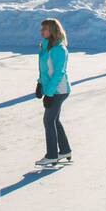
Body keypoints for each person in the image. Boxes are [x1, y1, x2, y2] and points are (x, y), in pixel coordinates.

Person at [36, 18, 72, 167]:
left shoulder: (59, 50)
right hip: (52, 89)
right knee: (54, 120)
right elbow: (45, 70)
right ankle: (64, 150)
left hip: (59, 90)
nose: (41, 31)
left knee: (48, 121)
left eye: (45, 29)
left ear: (52, 31)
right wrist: (39, 84)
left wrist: (49, 94)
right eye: (42, 29)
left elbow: (58, 73)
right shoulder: (45, 46)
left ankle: (52, 155)